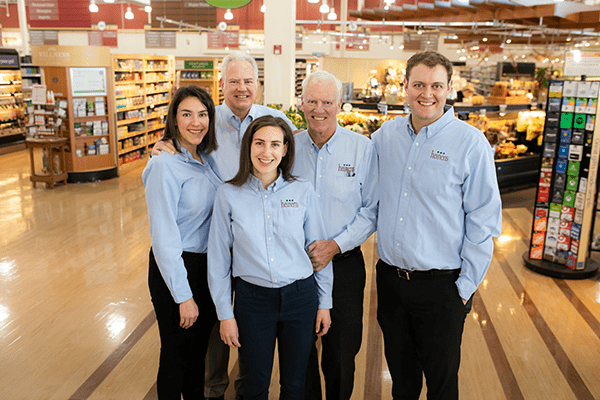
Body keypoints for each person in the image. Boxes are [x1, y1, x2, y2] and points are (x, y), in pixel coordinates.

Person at [152, 51, 296, 400]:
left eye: (248, 80)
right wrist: (163, 146)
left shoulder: (273, 121)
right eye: (234, 81)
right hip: (208, 248)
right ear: (222, 85)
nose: (241, 88)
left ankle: (248, 387)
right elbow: (181, 145)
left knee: (243, 323)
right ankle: (213, 387)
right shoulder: (208, 121)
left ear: (258, 84)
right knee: (207, 331)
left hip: (253, 247)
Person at [371, 51, 502, 400]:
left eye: (435, 86)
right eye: (418, 84)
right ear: (405, 88)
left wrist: (463, 289)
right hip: (391, 282)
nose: (426, 93)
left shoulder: (470, 143)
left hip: (442, 287)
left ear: (449, 89)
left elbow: (484, 219)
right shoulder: (385, 137)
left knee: (442, 385)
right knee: (402, 379)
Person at [207, 115, 333, 400]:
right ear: (248, 147)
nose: (267, 152)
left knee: (295, 383)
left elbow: (319, 251)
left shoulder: (302, 191)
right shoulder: (228, 195)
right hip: (253, 301)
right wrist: (225, 314)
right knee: (254, 383)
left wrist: (324, 303)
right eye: (260, 143)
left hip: (300, 298)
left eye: (275, 144)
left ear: (285, 149)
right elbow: (217, 261)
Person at [295, 71, 378, 400]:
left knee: (341, 354)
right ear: (301, 104)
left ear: (339, 104)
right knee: (300, 352)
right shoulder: (287, 145)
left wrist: (335, 245)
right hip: (296, 268)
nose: (320, 109)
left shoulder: (362, 149)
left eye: (327, 101)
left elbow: (371, 210)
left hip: (344, 265)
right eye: (312, 101)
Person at [142, 86, 221, 399]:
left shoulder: (204, 159)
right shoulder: (163, 165)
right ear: (173, 119)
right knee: (176, 353)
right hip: (177, 267)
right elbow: (163, 237)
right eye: (186, 114)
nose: (196, 122)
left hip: (206, 268)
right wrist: (183, 295)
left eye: (202, 115)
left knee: (198, 352)